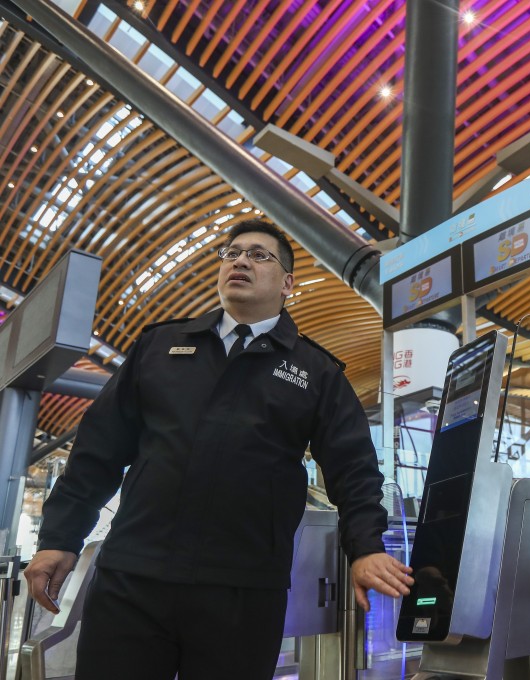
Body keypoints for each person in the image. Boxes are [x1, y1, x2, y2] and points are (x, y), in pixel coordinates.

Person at [23, 219, 413, 679]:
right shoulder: (160, 346)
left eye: (259, 255)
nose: (241, 261)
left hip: (243, 591)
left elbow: (354, 469)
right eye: (231, 253)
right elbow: (97, 451)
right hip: (133, 578)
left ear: (288, 284)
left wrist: (366, 547)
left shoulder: (316, 372)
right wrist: (60, 538)